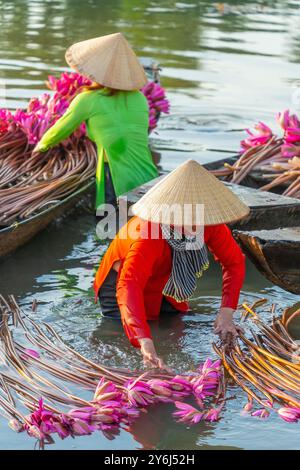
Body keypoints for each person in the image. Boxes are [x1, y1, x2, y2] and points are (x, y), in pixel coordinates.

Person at [94, 159, 250, 369]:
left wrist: (226, 313)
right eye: (187, 219)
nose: (195, 227)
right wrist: (144, 342)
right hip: (119, 285)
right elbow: (129, 286)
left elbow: (234, 262)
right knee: (122, 339)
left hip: (164, 278)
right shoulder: (148, 234)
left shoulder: (209, 224)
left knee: (175, 326)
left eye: (198, 219)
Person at [33, 32, 158, 210]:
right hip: (148, 175)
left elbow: (60, 129)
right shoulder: (139, 98)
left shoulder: (88, 99)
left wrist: (41, 146)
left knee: (108, 228)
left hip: (117, 179)